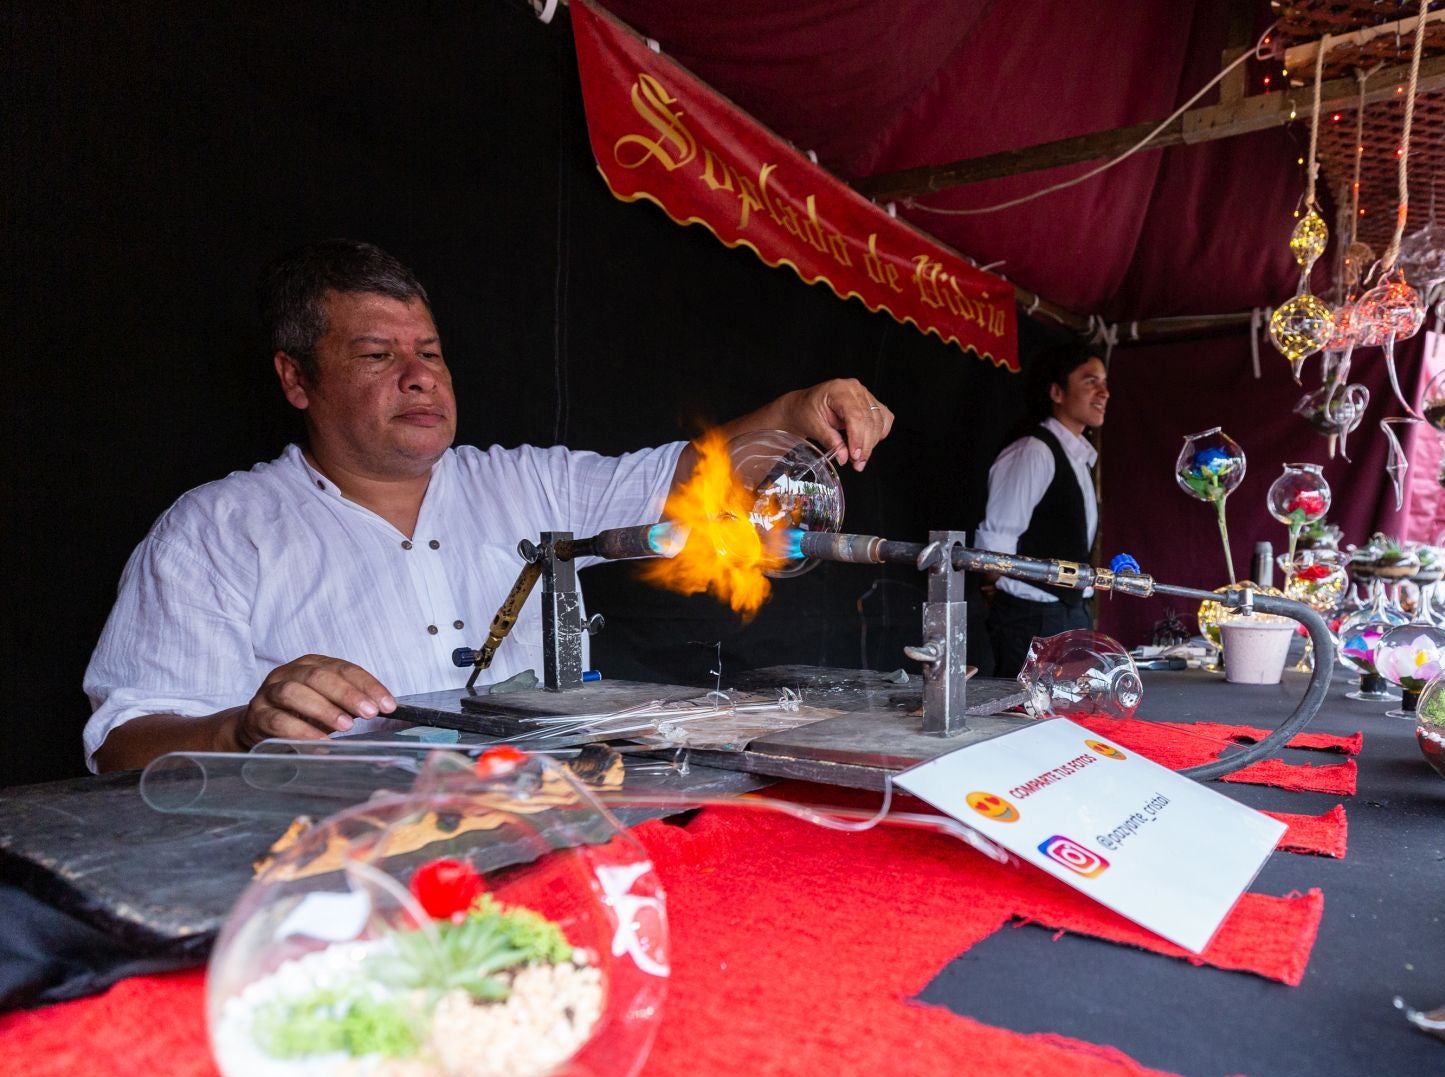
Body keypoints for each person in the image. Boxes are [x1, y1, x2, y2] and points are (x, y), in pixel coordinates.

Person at [84, 240, 894, 772]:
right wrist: (239, 728)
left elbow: (691, 478)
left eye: (429, 352)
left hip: (544, 828)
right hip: (342, 872)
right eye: (378, 354)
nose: (420, 375)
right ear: (296, 380)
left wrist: (793, 413)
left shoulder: (522, 482)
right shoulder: (214, 533)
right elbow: (123, 746)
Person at [974, 342, 1106, 677]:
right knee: (1025, 720)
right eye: (1090, 381)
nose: (1103, 392)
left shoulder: (1078, 457)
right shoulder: (1034, 452)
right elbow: (993, 553)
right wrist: (1008, 600)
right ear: (1057, 392)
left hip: (1068, 613)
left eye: (1104, 383)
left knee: (1068, 723)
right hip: (1032, 618)